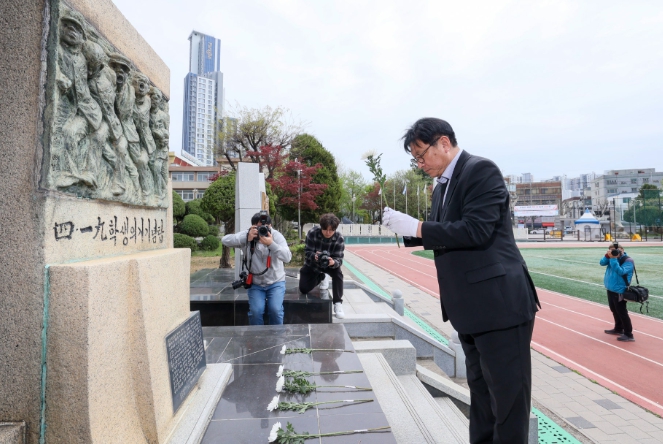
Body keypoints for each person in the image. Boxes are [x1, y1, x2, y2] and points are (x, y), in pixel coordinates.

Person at [383, 118, 540, 444]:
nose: (420, 164)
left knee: (508, 405)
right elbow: (445, 233)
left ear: (443, 142)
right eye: (415, 158)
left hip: (500, 307)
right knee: (481, 401)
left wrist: (415, 227)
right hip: (469, 310)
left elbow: (475, 230)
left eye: (421, 155)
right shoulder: (442, 185)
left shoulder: (481, 171)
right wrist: (406, 230)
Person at [222, 212, 292, 325]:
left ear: (270, 226)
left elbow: (287, 257)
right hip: (256, 283)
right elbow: (225, 240)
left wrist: (272, 244)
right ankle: (256, 334)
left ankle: (277, 334)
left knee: (275, 310)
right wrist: (246, 237)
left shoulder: (276, 236)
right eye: (259, 227)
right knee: (256, 311)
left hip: (276, 282)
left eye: (266, 227)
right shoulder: (248, 235)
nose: (262, 230)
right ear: (253, 227)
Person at [299, 214, 346, 319]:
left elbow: (339, 259)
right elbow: (307, 251)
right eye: (325, 229)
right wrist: (314, 256)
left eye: (331, 230)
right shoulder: (312, 233)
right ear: (321, 227)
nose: (328, 232)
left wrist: (333, 262)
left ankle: (338, 303)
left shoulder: (339, 238)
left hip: (330, 265)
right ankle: (322, 277)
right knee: (303, 289)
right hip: (313, 264)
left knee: (338, 275)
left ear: (335, 229)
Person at [601, 242, 635, 342]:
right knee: (614, 309)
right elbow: (602, 263)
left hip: (620, 289)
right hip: (611, 288)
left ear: (622, 250)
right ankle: (618, 328)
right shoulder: (611, 257)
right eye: (612, 250)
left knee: (622, 312)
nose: (616, 252)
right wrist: (607, 256)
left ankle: (629, 334)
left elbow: (620, 271)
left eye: (618, 250)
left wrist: (613, 259)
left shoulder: (628, 260)